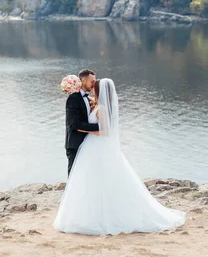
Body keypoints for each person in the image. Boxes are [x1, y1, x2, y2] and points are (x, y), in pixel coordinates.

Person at [54, 78, 186, 235]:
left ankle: (98, 216)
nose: (91, 88)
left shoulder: (102, 108)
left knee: (94, 179)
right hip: (93, 146)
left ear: (99, 91)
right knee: (93, 179)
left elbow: (105, 131)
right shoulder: (98, 105)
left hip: (95, 146)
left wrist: (87, 130)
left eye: (94, 87)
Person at [64, 69, 99, 177]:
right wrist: (100, 127)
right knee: (74, 175)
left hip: (87, 143)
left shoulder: (88, 99)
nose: (94, 84)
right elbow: (75, 124)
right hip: (75, 143)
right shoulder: (73, 98)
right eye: (92, 81)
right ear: (83, 80)